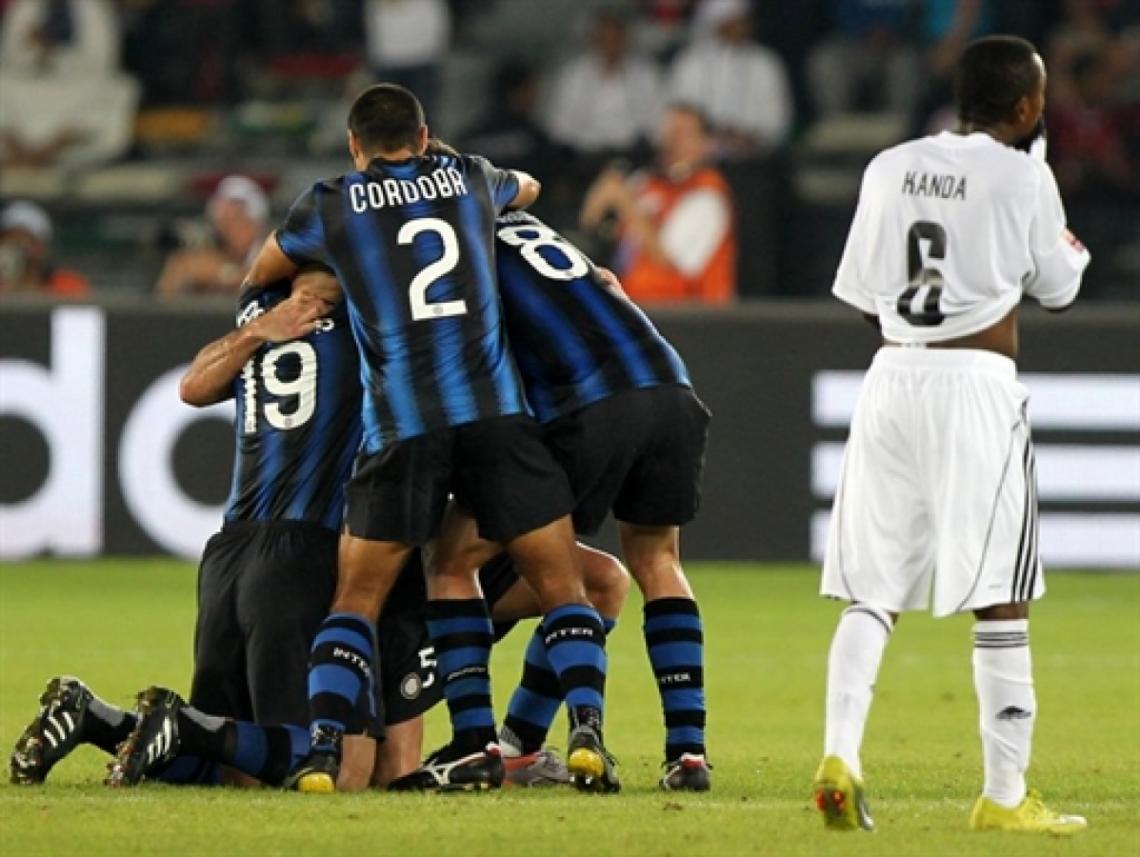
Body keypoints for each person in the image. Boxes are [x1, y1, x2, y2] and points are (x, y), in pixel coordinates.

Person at [242, 83, 617, 794]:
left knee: (357, 598)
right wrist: (451, 171)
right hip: (496, 416)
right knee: (563, 582)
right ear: (422, 136)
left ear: (356, 147)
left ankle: (322, 750)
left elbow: (262, 273)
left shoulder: (329, 202)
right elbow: (529, 189)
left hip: (403, 423)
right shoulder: (473, 177)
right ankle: (586, 735)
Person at [812, 36, 1091, 835]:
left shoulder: (888, 166)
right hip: (976, 386)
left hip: (892, 376)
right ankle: (1004, 795)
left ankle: (840, 753)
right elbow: (1062, 287)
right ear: (1028, 106)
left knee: (875, 587)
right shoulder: (1024, 174)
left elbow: (863, 295)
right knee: (1002, 592)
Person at [490, 208, 713, 791]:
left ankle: (544, 737)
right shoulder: (537, 226)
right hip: (670, 381)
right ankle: (688, 753)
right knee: (658, 562)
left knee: (555, 570)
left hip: (587, 400)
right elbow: (609, 284)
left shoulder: (456, 237)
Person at [580, 103, 735, 305]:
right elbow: (592, 225)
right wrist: (598, 202)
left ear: (704, 144)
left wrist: (625, 203)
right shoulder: (645, 181)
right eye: (668, 131)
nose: (672, 140)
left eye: (683, 133)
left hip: (689, 317)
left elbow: (668, 261)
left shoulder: (707, 197)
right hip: (634, 307)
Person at [666, 0, 793, 158]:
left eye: (746, 21)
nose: (745, 27)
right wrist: (712, 136)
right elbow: (680, 114)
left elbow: (778, 118)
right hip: (701, 157)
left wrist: (753, 137)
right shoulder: (690, 63)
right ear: (719, 23)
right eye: (737, 21)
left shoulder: (766, 62)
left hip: (755, 158)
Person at [544, 8, 662, 163]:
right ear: (594, 40)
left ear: (626, 38)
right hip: (586, 154)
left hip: (631, 152)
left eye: (616, 37)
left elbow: (657, 119)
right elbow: (559, 124)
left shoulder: (645, 73)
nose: (610, 44)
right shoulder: (575, 74)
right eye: (604, 38)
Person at [155, 176, 271, 298]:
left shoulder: (273, 251)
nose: (226, 231)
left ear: (255, 223)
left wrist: (221, 274)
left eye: (235, 220)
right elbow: (163, 297)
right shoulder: (206, 252)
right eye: (221, 222)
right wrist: (180, 270)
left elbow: (262, 283)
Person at [0, 200, 89, 297]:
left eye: (23, 238)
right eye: (8, 238)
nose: (15, 245)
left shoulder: (68, 285)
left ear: (42, 247)